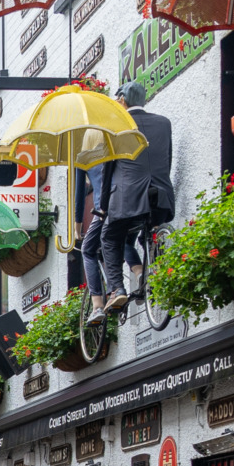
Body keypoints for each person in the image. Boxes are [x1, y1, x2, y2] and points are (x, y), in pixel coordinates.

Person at [82, 81, 175, 324]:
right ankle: (160, 271)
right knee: (150, 231)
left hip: (127, 199)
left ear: (122, 100)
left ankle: (117, 290)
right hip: (160, 196)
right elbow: (167, 159)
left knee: (110, 237)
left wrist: (102, 206)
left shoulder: (115, 128)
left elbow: (108, 170)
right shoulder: (164, 123)